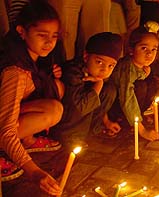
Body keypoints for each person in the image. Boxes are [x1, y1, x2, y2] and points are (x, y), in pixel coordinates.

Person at [0, 1, 64, 195]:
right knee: (52, 109)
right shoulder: (16, 72)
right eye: (42, 35)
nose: (49, 42)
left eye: (54, 36)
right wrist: (34, 171)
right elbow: (6, 128)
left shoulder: (32, 60)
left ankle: (25, 140)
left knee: (56, 97)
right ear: (22, 31)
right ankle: (7, 151)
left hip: (5, 119)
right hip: (3, 127)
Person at [53, 32, 123, 143]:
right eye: (99, 62)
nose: (104, 69)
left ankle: (93, 130)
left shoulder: (95, 74)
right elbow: (82, 106)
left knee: (109, 90)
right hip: (65, 130)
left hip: (82, 122)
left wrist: (107, 121)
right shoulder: (73, 72)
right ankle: (75, 137)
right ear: (86, 57)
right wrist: (99, 83)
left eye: (111, 66)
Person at [109, 25, 159, 141]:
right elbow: (127, 98)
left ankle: (136, 117)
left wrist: (145, 74)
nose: (149, 54)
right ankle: (127, 121)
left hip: (126, 102)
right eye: (144, 48)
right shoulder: (127, 68)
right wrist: (142, 130)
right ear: (131, 49)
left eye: (154, 49)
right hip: (116, 104)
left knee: (152, 84)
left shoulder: (142, 66)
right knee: (141, 86)